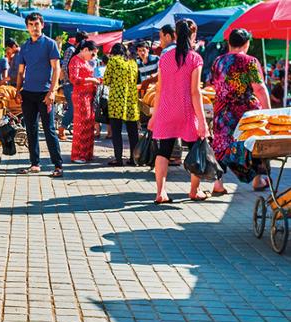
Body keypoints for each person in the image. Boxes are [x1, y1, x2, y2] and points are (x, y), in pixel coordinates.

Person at [148, 19, 209, 204]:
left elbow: (158, 89)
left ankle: (161, 193)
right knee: (195, 150)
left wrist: (154, 116)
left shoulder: (164, 58)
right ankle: (194, 191)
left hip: (166, 110)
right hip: (187, 111)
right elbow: (195, 91)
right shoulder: (195, 58)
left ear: (175, 35)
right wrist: (203, 120)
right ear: (193, 35)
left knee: (163, 152)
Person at [210, 28, 271, 192]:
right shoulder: (250, 61)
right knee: (255, 144)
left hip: (222, 112)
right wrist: (268, 112)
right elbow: (259, 88)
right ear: (247, 43)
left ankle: (218, 184)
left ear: (229, 43)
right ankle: (258, 180)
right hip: (246, 113)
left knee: (221, 146)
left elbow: (213, 84)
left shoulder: (218, 61)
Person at [15, 12, 64, 177]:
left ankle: (58, 166)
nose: (34, 27)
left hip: (45, 94)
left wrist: (52, 92)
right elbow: (21, 72)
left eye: (37, 24)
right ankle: (35, 164)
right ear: (27, 27)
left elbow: (56, 69)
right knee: (31, 129)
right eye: (31, 24)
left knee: (49, 130)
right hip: (27, 93)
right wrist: (17, 90)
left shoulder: (50, 44)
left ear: (42, 25)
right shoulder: (25, 46)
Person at [104, 43, 140, 166]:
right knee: (133, 132)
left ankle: (118, 159)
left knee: (116, 131)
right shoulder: (133, 62)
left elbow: (106, 80)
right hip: (131, 101)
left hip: (116, 101)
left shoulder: (113, 61)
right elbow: (136, 80)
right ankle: (134, 159)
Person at [68, 40, 101, 163]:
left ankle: (87, 154)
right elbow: (74, 79)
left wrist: (95, 80)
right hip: (81, 96)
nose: (94, 57)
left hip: (89, 96)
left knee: (89, 123)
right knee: (81, 125)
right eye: (93, 54)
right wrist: (91, 80)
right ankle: (78, 155)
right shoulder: (75, 60)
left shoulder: (85, 61)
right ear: (85, 49)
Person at [60, 31, 89, 141]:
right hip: (70, 84)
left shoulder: (81, 52)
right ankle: (62, 128)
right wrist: (70, 81)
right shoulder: (70, 50)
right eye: (85, 40)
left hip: (77, 85)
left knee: (77, 108)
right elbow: (65, 67)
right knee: (73, 107)